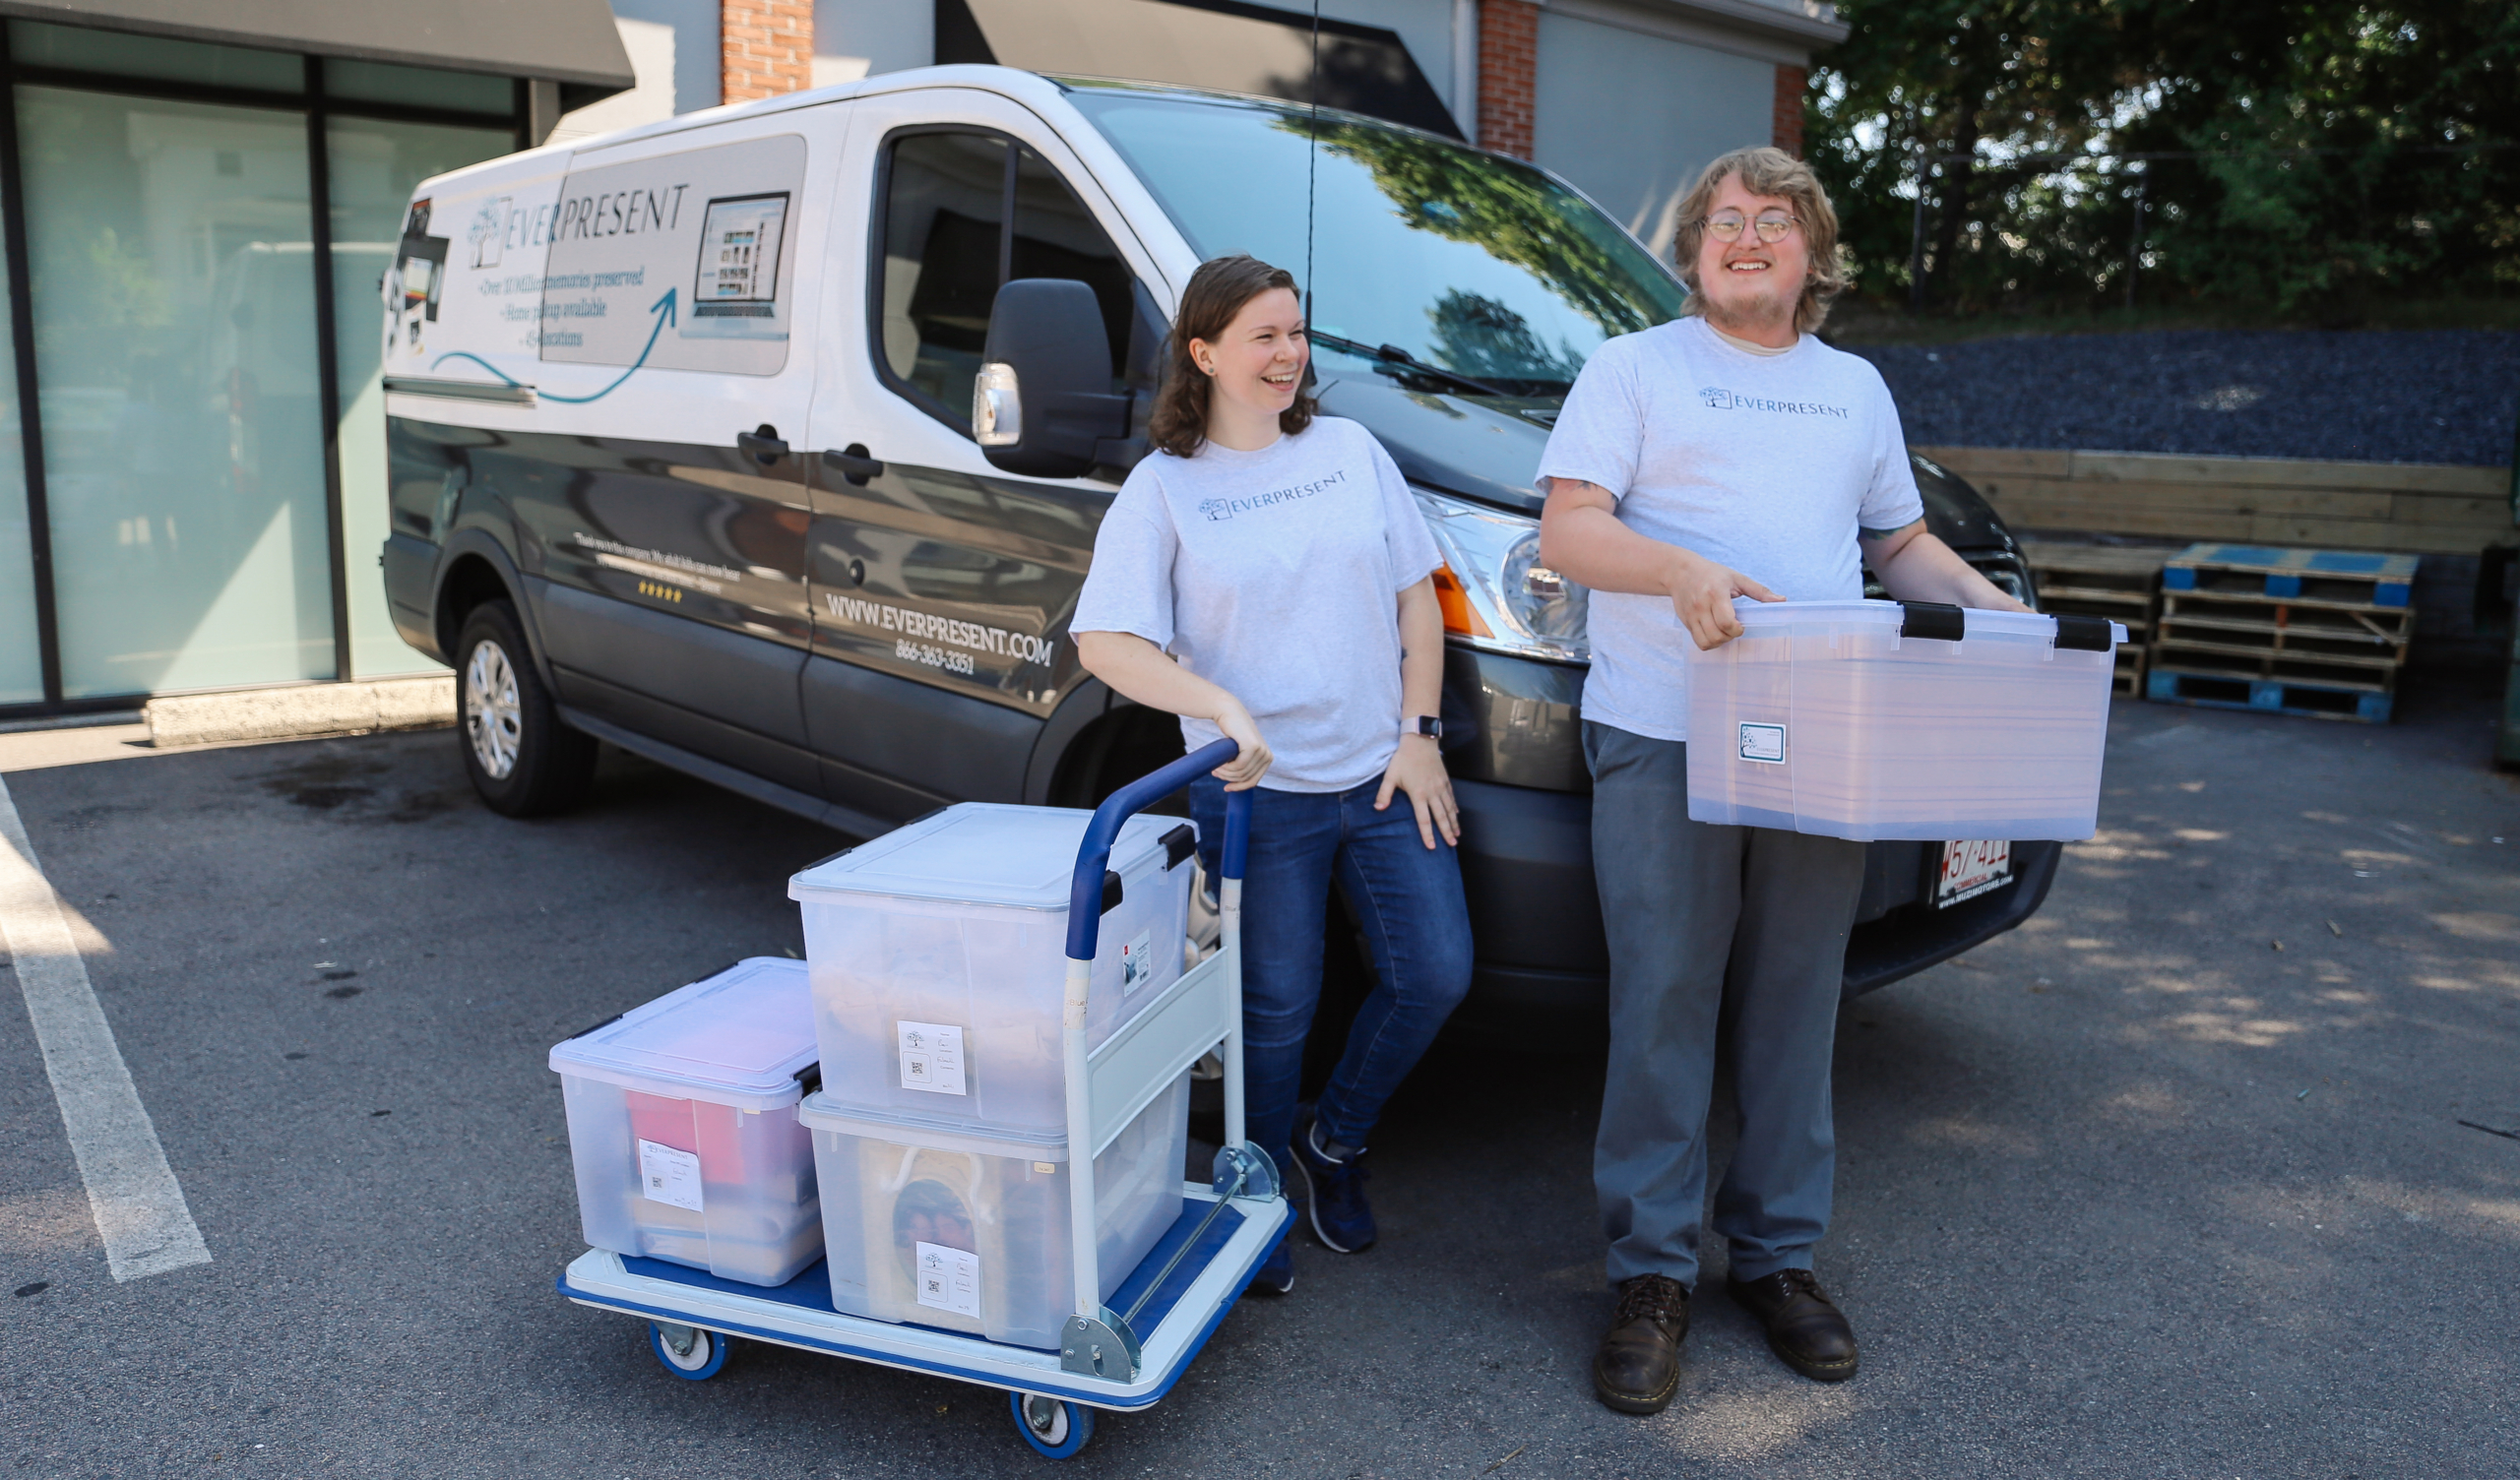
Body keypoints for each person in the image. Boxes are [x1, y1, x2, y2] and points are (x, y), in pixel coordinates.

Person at [1536, 147, 2031, 1413]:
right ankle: (1651, 1274)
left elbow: (1898, 541)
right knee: (1662, 997)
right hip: (1663, 724)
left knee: (1798, 996)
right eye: (1722, 220)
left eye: (1772, 221)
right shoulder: (1634, 368)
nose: (1743, 236)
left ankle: (1775, 1256)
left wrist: (2004, 623)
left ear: (1812, 253)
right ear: (1696, 248)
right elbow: (1570, 529)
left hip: (1816, 730)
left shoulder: (1852, 388)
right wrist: (1677, 572)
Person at [1072, 254, 1475, 1296]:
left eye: (1296, 332)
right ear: (1203, 352)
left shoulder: (1347, 450)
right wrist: (1216, 707)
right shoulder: (1164, 487)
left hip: (1382, 775)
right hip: (1254, 794)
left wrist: (1418, 729)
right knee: (1274, 1010)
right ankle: (1254, 1194)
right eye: (1264, 335)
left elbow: (1413, 600)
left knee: (1434, 973)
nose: (1289, 353)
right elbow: (1105, 641)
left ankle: (1331, 1143)